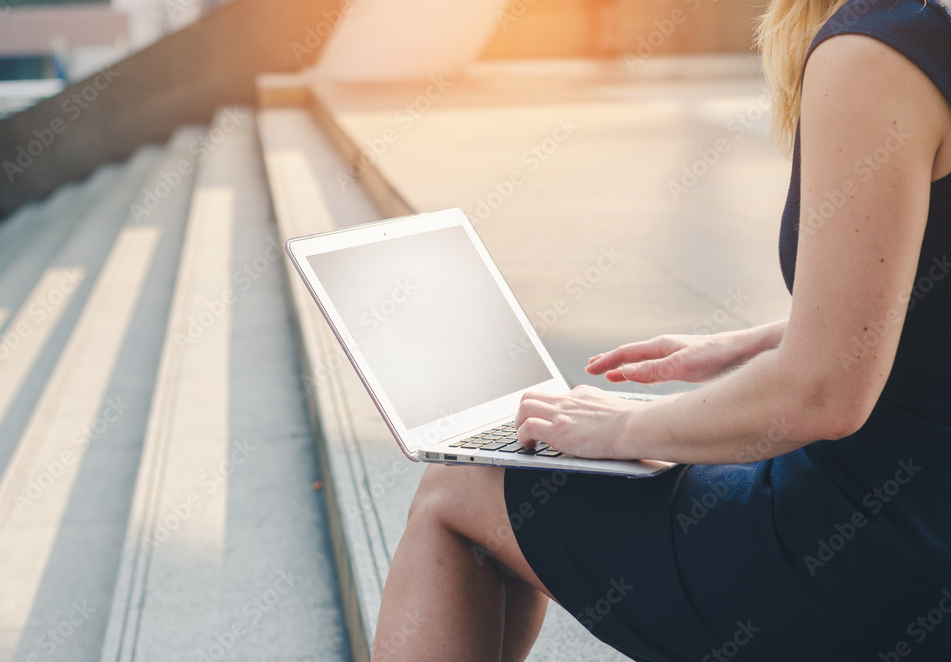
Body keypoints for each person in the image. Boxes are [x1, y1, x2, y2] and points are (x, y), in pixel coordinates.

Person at [371, 0, 951, 659]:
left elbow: (823, 395)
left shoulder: (874, 52)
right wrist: (768, 338)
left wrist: (622, 427)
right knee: (516, 466)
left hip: (875, 554)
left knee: (462, 484)